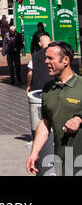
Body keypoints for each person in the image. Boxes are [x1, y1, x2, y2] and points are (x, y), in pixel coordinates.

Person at [26, 41, 82, 177]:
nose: (46, 61)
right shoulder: (48, 89)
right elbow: (45, 122)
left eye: (50, 58)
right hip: (63, 160)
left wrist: (79, 119)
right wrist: (34, 152)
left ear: (66, 60)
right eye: (46, 57)